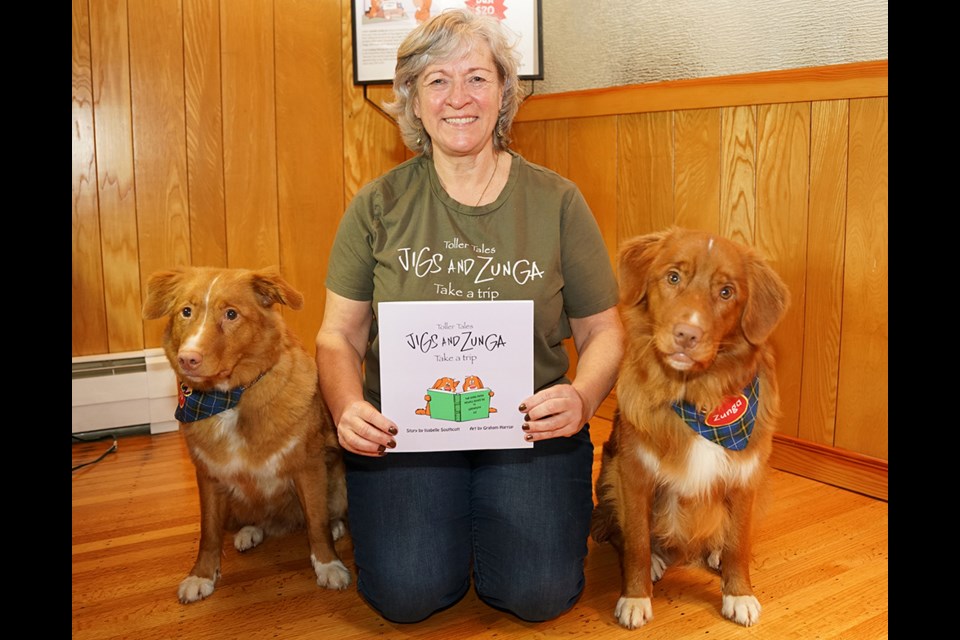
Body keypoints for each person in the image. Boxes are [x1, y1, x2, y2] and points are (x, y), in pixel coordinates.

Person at [315, 9, 624, 624]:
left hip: (530, 428)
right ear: (412, 99)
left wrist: (583, 398)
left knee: (538, 595)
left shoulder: (557, 200)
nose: (459, 98)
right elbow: (338, 335)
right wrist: (349, 407)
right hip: (406, 428)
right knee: (407, 595)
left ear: (504, 92)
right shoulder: (377, 205)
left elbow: (604, 330)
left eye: (477, 78)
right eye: (436, 81)